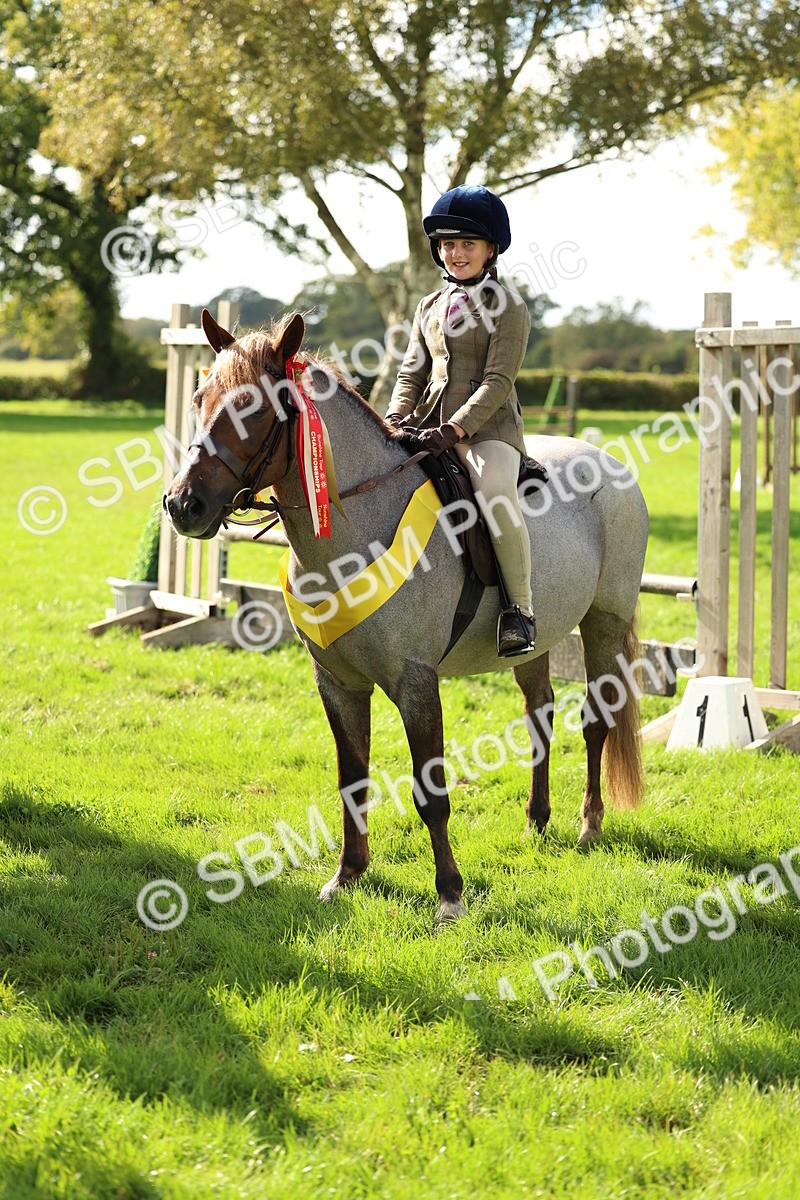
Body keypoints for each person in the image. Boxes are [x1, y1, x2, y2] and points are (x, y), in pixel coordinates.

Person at [385, 184, 536, 657]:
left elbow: (497, 381)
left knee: (493, 494)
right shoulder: (428, 307)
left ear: (491, 249)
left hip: (487, 432)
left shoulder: (508, 308)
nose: (455, 253)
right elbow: (412, 371)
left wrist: (456, 430)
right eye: (448, 244)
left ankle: (521, 610)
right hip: (430, 425)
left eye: (467, 244)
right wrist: (392, 419)